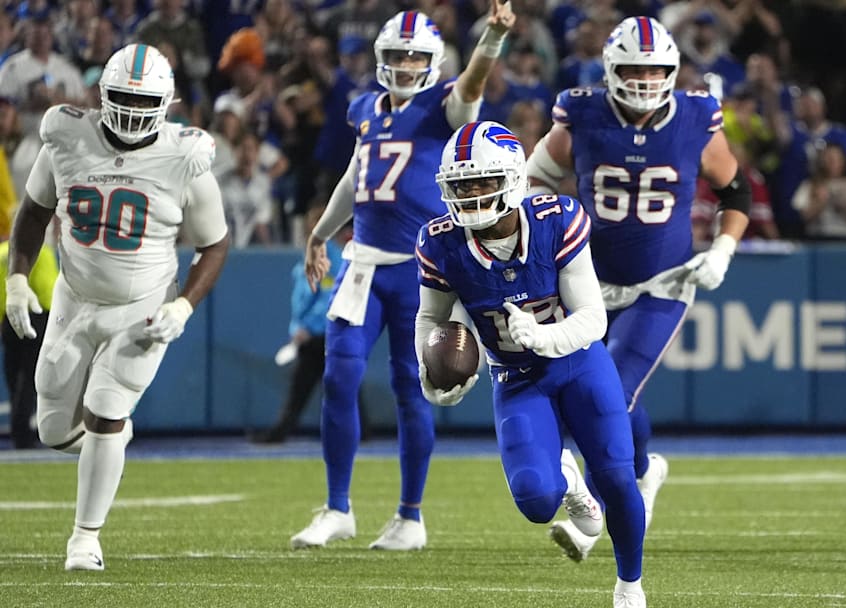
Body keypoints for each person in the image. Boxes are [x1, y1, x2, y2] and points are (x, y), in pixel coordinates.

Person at [291, 2, 516, 552]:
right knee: (339, 376)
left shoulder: (443, 105)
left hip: (419, 271)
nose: (407, 65)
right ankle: (338, 508)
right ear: (381, 58)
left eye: (416, 56)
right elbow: (355, 176)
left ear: (434, 61)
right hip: (363, 263)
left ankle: (410, 516)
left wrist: (490, 38)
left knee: (413, 388)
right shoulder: (364, 107)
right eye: (397, 55)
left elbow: (471, 86)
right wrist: (321, 232)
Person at [525, 16, 751, 561]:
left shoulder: (696, 117)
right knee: (596, 402)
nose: (647, 79)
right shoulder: (580, 113)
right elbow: (532, 180)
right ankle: (645, 472)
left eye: (656, 69)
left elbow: (736, 190)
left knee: (610, 396)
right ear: (610, 70)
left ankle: (595, 518)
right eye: (634, 68)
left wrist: (722, 249)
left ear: (673, 71)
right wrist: (548, 238)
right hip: (587, 282)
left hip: (662, 282)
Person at [4, 43, 229, 570]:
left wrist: (184, 306)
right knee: (53, 429)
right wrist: (17, 279)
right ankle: (112, 438)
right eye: (122, 96)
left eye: (142, 98)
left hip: (142, 306)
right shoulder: (65, 135)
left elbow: (214, 244)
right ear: (101, 94)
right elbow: (34, 212)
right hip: (73, 298)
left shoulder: (185, 155)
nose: (130, 108)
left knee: (106, 411)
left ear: (167, 103)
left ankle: (85, 537)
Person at [416, 120, 647, 608]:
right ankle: (566, 478)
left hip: (580, 364)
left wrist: (544, 336)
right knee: (537, 501)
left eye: (482, 182)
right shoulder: (439, 243)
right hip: (516, 377)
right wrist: (429, 373)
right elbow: (431, 319)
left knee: (618, 476)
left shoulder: (555, 219)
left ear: (514, 178)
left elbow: (592, 318)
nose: (471, 195)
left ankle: (629, 587)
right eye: (460, 186)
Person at [251, 207, 348, 444]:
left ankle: (280, 431)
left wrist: (308, 328)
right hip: (314, 333)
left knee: (308, 386)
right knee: (339, 385)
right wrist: (297, 328)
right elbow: (303, 297)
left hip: (324, 334)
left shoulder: (331, 256)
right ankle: (358, 432)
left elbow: (328, 296)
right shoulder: (312, 253)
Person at [0, 235, 57, 448]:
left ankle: (18, 428)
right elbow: (47, 288)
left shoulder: (3, 253)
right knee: (30, 376)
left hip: (9, 316)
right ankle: (23, 431)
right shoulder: (41, 251)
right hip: (37, 315)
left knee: (13, 374)